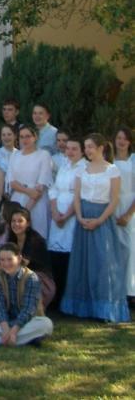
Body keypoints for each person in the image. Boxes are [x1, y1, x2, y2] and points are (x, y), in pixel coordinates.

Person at [61, 133, 129, 323]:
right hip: (83, 216)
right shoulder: (82, 170)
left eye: (91, 146)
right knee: (83, 261)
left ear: (101, 148)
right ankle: (82, 306)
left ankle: (105, 308)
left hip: (102, 218)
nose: (88, 150)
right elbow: (77, 197)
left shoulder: (112, 170)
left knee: (103, 262)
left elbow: (114, 199)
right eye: (86, 146)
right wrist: (80, 216)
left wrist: (99, 220)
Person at [0, 243, 53, 346]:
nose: (6, 264)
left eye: (10, 259)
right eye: (2, 260)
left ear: (19, 258)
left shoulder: (31, 278)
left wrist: (14, 331)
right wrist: (6, 330)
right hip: (4, 322)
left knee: (46, 325)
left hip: (26, 322)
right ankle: (25, 340)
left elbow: (28, 310)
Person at [48, 135, 85, 305]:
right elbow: (54, 189)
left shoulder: (84, 168)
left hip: (72, 214)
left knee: (70, 257)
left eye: (74, 148)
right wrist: (55, 212)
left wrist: (67, 215)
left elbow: (80, 194)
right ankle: (56, 297)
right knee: (56, 256)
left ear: (82, 151)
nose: (69, 151)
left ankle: (69, 298)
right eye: (68, 148)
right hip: (57, 215)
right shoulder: (64, 165)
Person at [7, 124, 53, 239]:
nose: (24, 140)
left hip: (36, 202)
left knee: (36, 234)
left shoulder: (43, 155)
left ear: (35, 137)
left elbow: (42, 183)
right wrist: (27, 192)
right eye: (22, 137)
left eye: (28, 136)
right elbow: (11, 181)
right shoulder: (15, 155)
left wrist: (26, 210)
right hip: (18, 199)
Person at [7, 206, 56, 310]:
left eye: (20, 221)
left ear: (28, 223)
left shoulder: (34, 239)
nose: (16, 224)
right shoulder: (11, 238)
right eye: (13, 221)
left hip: (40, 279)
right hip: (18, 272)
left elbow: (24, 263)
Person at [113, 126, 134, 300]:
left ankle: (130, 290)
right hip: (112, 205)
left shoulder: (134, 160)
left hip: (129, 206)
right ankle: (115, 289)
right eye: (118, 137)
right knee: (113, 249)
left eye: (124, 138)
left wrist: (128, 214)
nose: (121, 141)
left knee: (129, 248)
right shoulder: (109, 160)